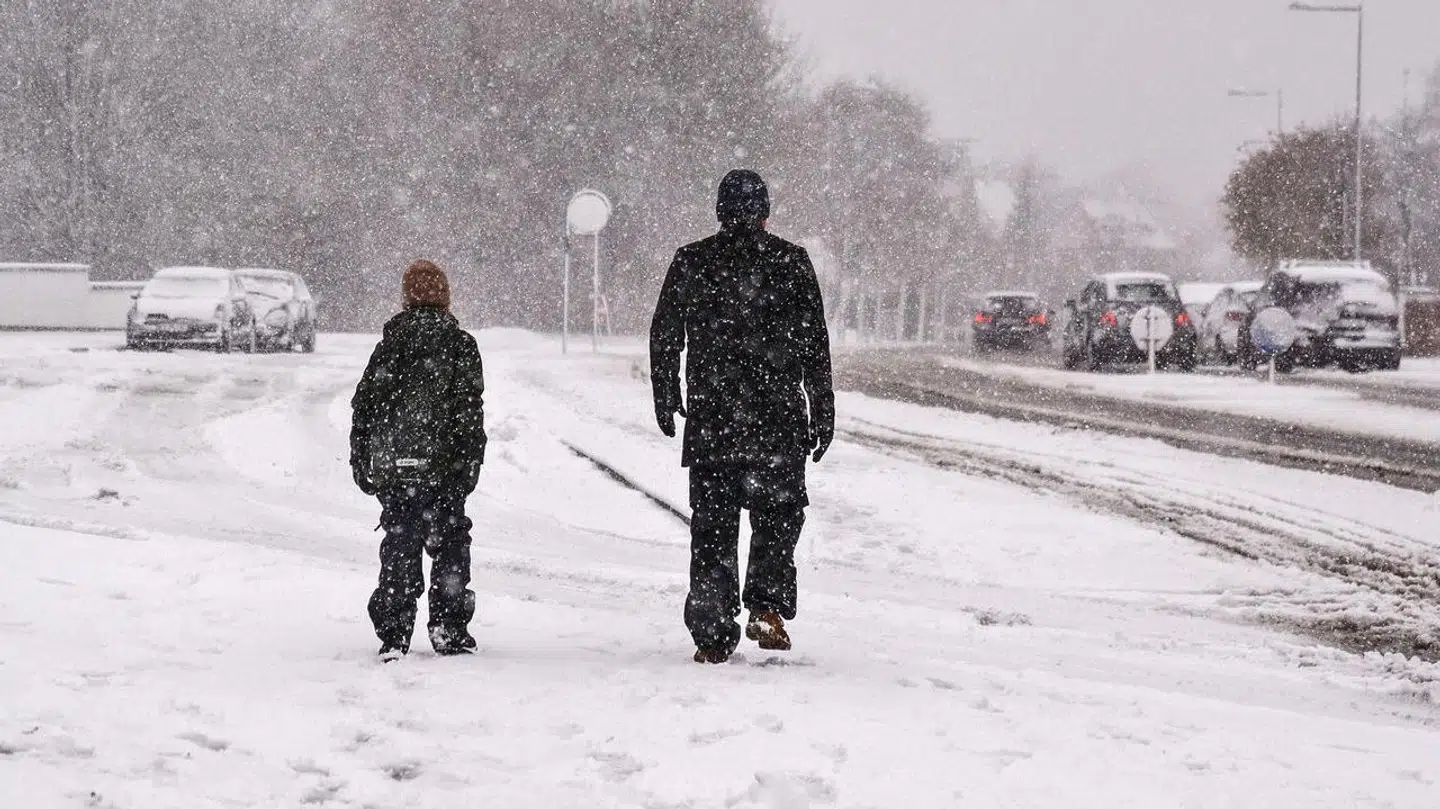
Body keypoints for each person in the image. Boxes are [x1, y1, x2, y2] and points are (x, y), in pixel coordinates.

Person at [649, 169, 835, 664]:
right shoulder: (791, 262)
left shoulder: (693, 261)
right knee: (777, 516)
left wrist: (665, 391)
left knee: (713, 528)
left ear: (719, 211)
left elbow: (665, 332)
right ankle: (767, 607)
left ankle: (712, 632)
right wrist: (822, 406)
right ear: (765, 213)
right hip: (777, 419)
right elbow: (814, 342)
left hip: (714, 420)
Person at [350, 259, 487, 662]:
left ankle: (395, 631)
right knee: (450, 545)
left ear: (406, 299)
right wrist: (468, 464)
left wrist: (362, 457)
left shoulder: (390, 345)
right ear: (445, 298)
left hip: (396, 470)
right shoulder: (460, 346)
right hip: (445, 470)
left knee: (400, 543)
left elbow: (365, 407)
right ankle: (449, 627)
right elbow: (469, 411)